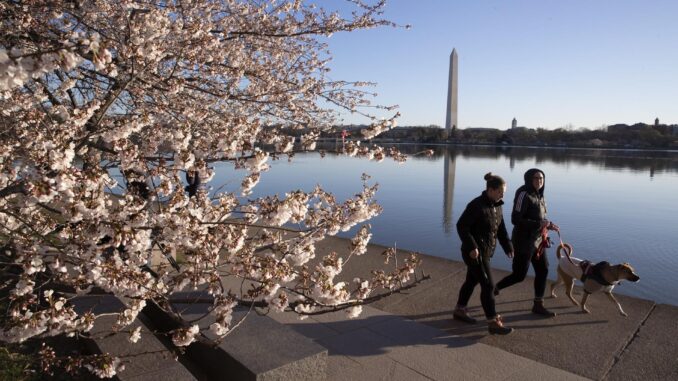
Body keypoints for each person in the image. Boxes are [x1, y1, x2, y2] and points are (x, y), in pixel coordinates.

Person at [453, 172, 515, 335]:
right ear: (491, 190)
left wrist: (508, 245)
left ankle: (460, 309)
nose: (503, 194)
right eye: (501, 191)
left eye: (504, 191)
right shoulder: (476, 205)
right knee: (488, 286)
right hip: (474, 253)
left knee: (471, 281)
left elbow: (500, 228)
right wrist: (472, 247)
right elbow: (461, 226)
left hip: (486, 252)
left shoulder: (497, 205)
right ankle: (493, 322)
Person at [494, 168, 559, 317]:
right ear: (529, 179)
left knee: (543, 270)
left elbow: (540, 219)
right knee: (519, 275)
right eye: (536, 178)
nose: (539, 181)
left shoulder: (540, 195)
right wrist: (539, 224)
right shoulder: (523, 194)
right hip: (523, 241)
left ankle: (538, 304)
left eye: (541, 178)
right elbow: (515, 219)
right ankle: (495, 288)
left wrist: (548, 225)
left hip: (538, 242)